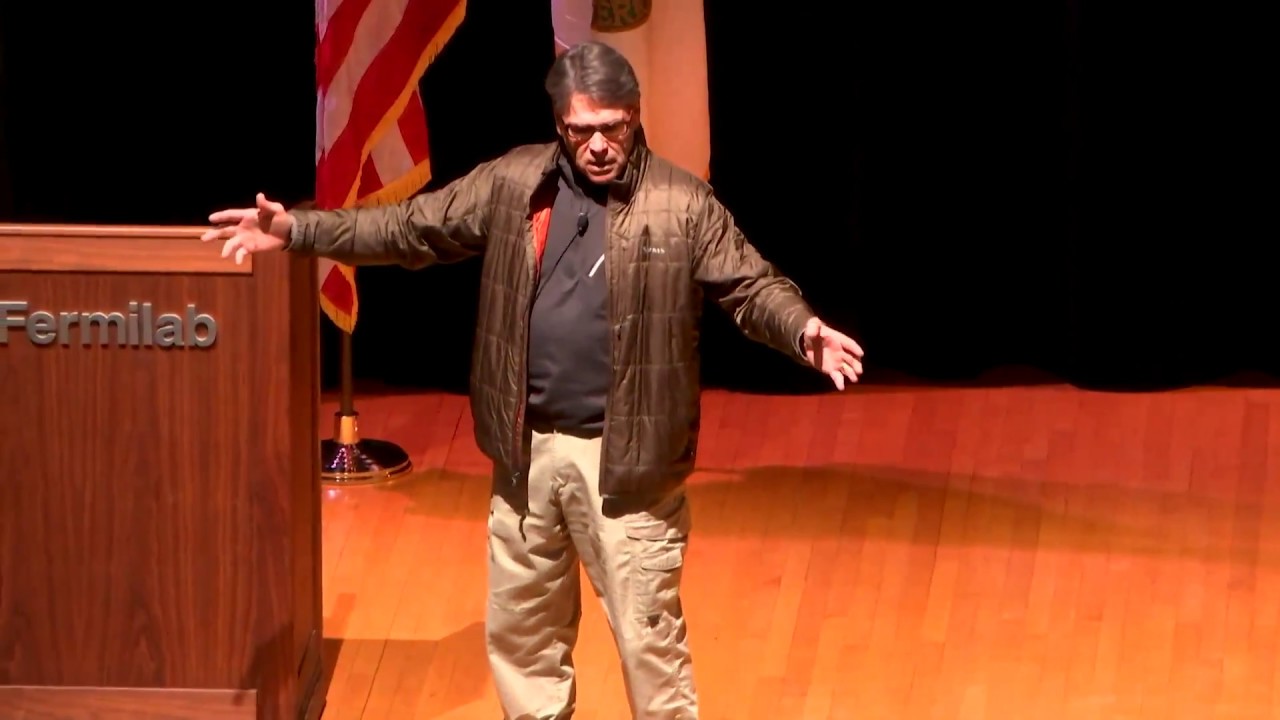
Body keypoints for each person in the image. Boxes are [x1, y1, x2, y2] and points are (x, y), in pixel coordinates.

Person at [203, 41, 864, 720]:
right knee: (524, 644)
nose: (600, 144)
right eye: (584, 130)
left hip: (627, 470)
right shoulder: (516, 184)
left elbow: (751, 286)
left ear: (634, 117)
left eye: (614, 127)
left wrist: (802, 329)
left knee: (650, 651)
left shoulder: (679, 202)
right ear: (560, 125)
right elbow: (410, 227)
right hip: (526, 459)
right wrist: (298, 229)